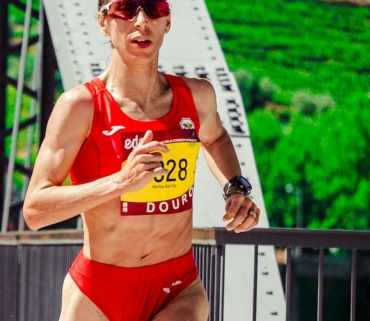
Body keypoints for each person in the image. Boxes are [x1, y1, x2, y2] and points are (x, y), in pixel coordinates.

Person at [23, 0, 262, 320]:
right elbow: (35, 210)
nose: (141, 20)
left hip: (178, 287)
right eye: (126, 7)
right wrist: (121, 181)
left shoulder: (198, 96)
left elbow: (215, 138)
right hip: (99, 290)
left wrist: (235, 188)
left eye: (153, 7)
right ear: (103, 21)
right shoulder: (80, 106)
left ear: (167, 21)